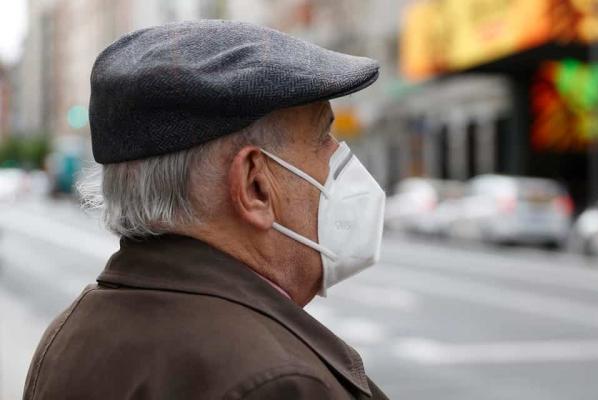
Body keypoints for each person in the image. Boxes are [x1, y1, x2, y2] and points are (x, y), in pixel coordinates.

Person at [23, 20, 388, 400]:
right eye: (322, 137)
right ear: (255, 186)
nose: (339, 157)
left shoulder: (69, 334)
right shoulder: (277, 382)